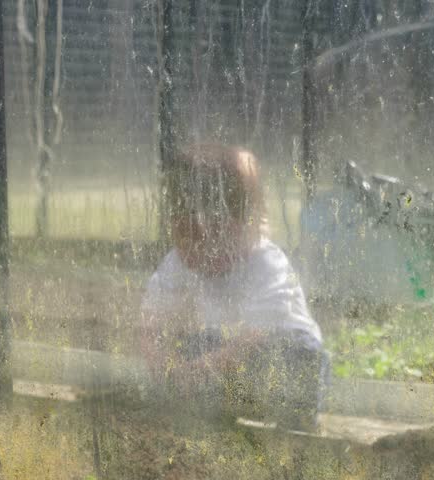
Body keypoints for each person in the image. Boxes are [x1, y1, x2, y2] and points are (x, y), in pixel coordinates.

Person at [140, 144, 328, 432]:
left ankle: (296, 423)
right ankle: (214, 417)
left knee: (302, 355)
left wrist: (201, 369)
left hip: (271, 356)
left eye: (213, 240)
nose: (201, 251)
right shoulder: (178, 262)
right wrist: (163, 363)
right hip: (226, 360)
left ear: (253, 224)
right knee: (195, 345)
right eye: (187, 239)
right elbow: (151, 321)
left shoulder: (266, 262)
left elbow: (256, 336)